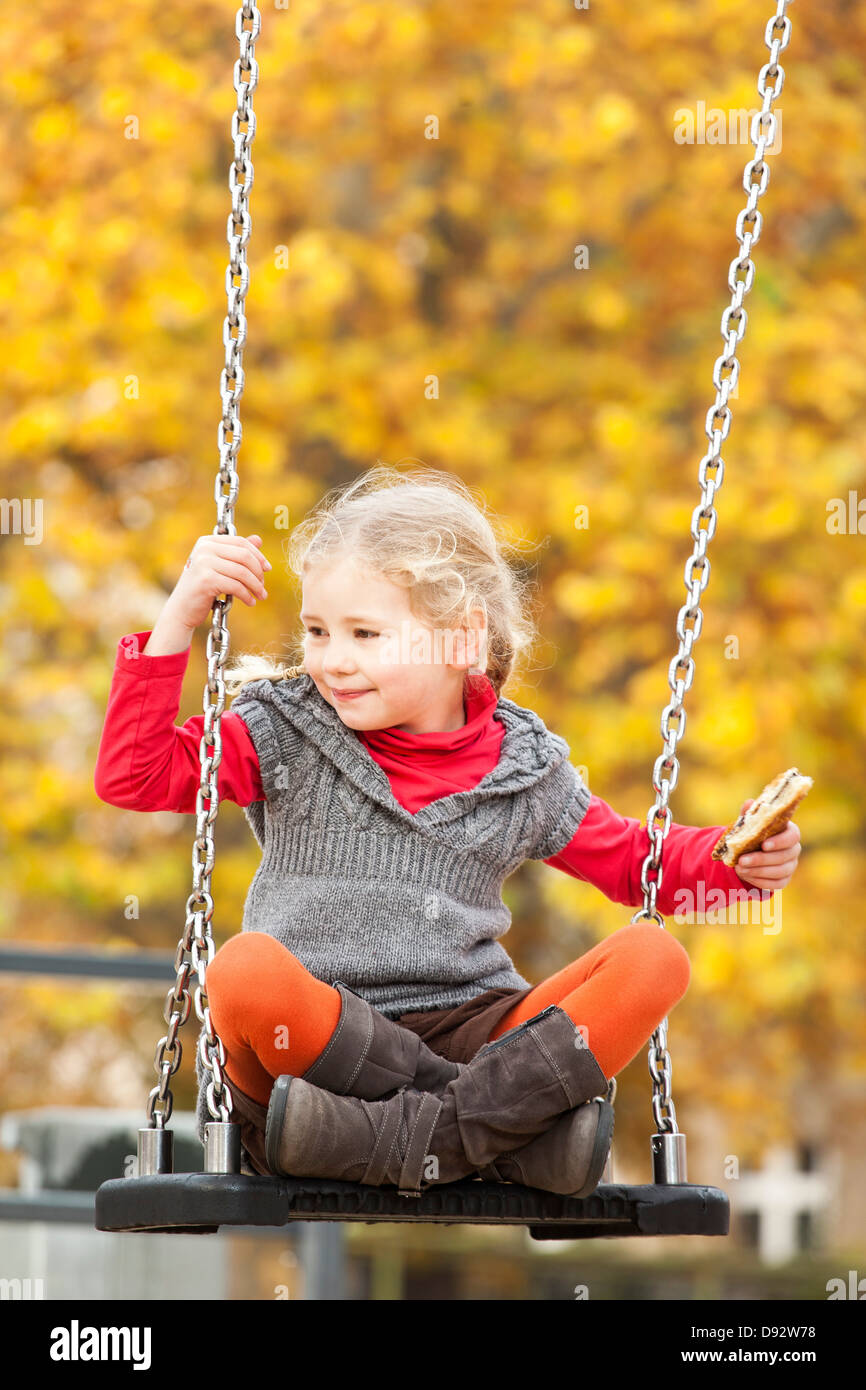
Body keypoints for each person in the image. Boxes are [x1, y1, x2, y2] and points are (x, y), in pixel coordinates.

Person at [94, 466, 802, 1196]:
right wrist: (179, 617)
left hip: (472, 1031)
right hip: (317, 1042)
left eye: (366, 634)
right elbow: (136, 776)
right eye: (316, 631)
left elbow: (633, 864)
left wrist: (736, 867)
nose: (334, 659)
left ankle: (392, 1141)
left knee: (654, 959)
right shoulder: (282, 730)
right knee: (243, 971)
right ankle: (497, 1137)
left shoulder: (521, 770)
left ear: (462, 638)